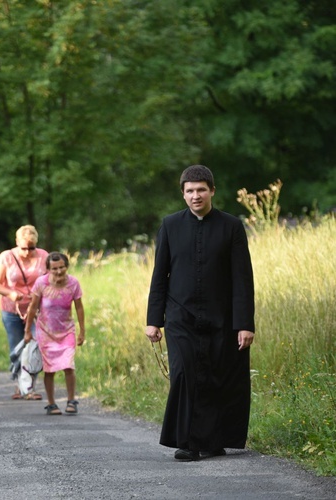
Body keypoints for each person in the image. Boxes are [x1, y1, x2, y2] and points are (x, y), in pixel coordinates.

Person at [145, 164, 255, 462]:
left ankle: (214, 440)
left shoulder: (231, 226)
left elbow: (242, 278)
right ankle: (188, 443)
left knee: (217, 375)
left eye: (201, 190)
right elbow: (160, 276)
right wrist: (154, 320)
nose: (196, 196)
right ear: (183, 194)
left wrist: (244, 323)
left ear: (212, 191)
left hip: (223, 317)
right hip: (180, 316)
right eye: (190, 191)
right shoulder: (169, 225)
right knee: (184, 374)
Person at [24, 252, 85, 415]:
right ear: (48, 269)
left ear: (67, 266)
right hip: (46, 331)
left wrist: (82, 331)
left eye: (62, 267)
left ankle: (71, 400)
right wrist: (27, 331)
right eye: (54, 268)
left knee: (68, 365)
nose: (59, 271)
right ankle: (51, 404)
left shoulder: (73, 283)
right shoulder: (41, 283)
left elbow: (79, 307)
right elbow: (33, 307)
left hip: (67, 331)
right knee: (49, 369)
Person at [0, 225, 49, 400]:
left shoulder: (43, 256)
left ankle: (30, 387)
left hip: (37, 309)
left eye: (31, 248)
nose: (27, 252)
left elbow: (50, 280)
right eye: (24, 248)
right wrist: (10, 293)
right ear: (17, 242)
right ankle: (19, 385)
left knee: (35, 346)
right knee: (17, 347)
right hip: (12, 309)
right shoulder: (7, 257)